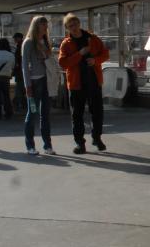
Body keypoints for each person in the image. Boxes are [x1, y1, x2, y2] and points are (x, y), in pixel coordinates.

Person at [57, 13, 110, 154]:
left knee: (97, 112)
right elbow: (63, 63)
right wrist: (79, 54)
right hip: (76, 84)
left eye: (75, 25)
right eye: (70, 26)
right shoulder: (66, 43)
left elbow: (105, 54)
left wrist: (95, 61)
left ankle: (97, 138)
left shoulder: (93, 39)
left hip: (93, 81)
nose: (73, 28)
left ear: (79, 24)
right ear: (67, 28)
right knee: (77, 114)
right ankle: (80, 143)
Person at [22, 16, 54, 156]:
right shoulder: (28, 42)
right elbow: (25, 66)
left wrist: (46, 54)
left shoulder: (46, 41)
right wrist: (27, 85)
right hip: (34, 82)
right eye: (43, 25)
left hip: (46, 80)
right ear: (36, 26)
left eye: (46, 25)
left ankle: (48, 145)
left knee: (45, 114)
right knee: (32, 113)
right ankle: (30, 146)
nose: (45, 27)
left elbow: (49, 59)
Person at [12, 32, 26, 113]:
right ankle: (22, 104)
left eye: (15, 38)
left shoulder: (21, 46)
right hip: (21, 70)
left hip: (21, 71)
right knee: (22, 88)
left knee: (20, 88)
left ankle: (20, 104)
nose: (14, 40)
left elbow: (19, 59)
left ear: (19, 38)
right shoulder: (21, 45)